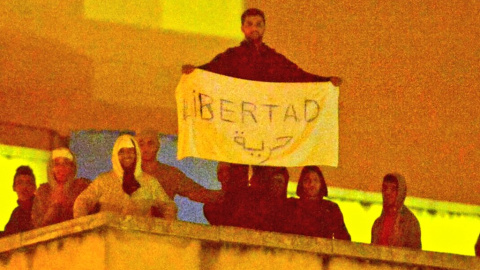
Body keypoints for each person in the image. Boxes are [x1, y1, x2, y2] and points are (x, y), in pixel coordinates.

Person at [182, 8, 341, 193]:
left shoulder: (272, 58)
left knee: (266, 177)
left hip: (265, 130)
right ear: (242, 28)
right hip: (237, 128)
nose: (254, 28)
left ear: (264, 28)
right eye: (249, 24)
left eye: (258, 24)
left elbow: (296, 75)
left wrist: (325, 82)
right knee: (236, 175)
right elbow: (209, 72)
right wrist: (193, 73)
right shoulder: (232, 57)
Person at [74, 134, 177, 220]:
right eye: (122, 152)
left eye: (131, 151)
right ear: (115, 155)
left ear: (137, 154)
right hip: (111, 240)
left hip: (139, 240)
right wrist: (83, 227)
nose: (127, 155)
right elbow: (81, 202)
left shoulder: (150, 182)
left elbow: (169, 206)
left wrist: (167, 227)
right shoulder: (103, 181)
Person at [135, 130, 223, 204]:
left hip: (162, 222)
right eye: (141, 144)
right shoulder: (127, 173)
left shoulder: (170, 173)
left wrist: (226, 195)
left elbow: (196, 193)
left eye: (150, 143)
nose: (146, 148)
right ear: (135, 147)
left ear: (158, 146)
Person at [285, 166, 350, 240]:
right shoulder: (291, 206)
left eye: (316, 180)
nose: (311, 184)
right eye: (307, 180)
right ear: (301, 184)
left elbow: (343, 238)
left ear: (321, 184)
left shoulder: (331, 209)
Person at [32, 148, 90, 228]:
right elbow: (37, 224)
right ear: (51, 168)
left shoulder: (81, 188)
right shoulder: (43, 192)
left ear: (72, 168)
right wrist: (54, 208)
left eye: (66, 163)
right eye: (56, 164)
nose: (61, 168)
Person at [371, 173, 422, 249]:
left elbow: (415, 257)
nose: (387, 193)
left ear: (401, 192)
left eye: (393, 189)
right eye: (385, 188)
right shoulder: (377, 224)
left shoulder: (410, 223)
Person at [4, 166, 37, 235]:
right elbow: (7, 234)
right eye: (20, 182)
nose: (24, 187)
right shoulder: (16, 214)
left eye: (28, 183)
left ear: (34, 187)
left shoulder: (41, 208)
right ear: (14, 187)